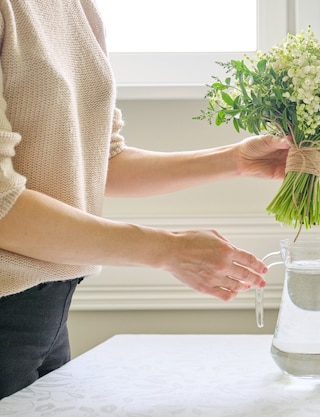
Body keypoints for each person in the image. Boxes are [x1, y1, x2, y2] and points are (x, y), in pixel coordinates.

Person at [0, 1, 293, 398]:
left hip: (50, 309)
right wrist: (167, 250)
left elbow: (101, 157)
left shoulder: (76, 6)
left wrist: (235, 161)